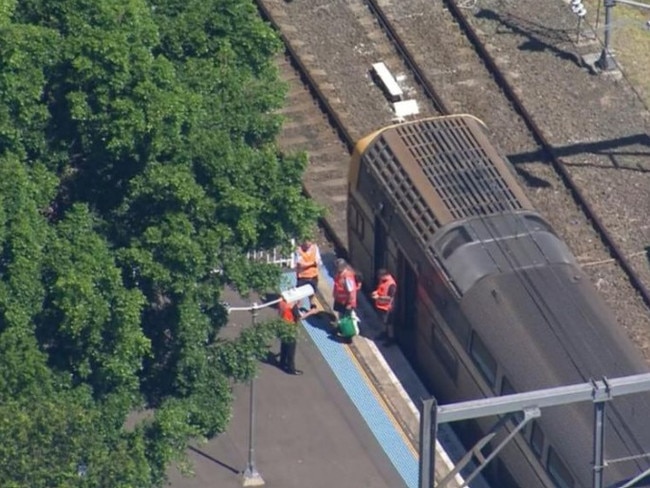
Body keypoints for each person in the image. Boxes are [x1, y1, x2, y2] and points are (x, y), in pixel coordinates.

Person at [332, 258, 358, 341]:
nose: (335, 268)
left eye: (337, 267)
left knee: (346, 318)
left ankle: (347, 334)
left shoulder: (347, 277)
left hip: (346, 301)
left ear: (342, 267)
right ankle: (340, 328)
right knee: (341, 315)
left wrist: (350, 303)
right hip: (340, 299)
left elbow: (352, 291)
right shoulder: (340, 274)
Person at [277, 297, 304, 375]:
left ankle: (282, 362)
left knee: (284, 346)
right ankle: (291, 368)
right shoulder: (292, 306)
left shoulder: (282, 302)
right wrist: (311, 312)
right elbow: (299, 317)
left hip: (283, 325)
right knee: (291, 350)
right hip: (290, 328)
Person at [371, 268, 397, 347]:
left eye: (380, 277)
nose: (379, 279)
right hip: (381, 306)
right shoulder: (383, 281)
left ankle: (391, 339)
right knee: (383, 322)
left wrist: (378, 297)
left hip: (387, 308)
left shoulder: (392, 284)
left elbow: (390, 298)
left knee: (389, 324)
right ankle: (384, 334)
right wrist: (376, 292)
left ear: (384, 275)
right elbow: (381, 289)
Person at [294, 238, 322, 309]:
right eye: (306, 244)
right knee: (299, 296)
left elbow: (318, 261)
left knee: (312, 295)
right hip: (302, 277)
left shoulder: (315, 248)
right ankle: (297, 310)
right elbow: (301, 265)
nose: (308, 246)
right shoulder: (299, 250)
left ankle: (313, 310)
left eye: (309, 244)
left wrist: (309, 264)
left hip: (313, 276)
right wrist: (313, 263)